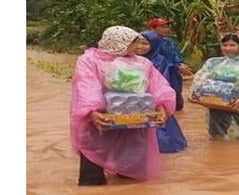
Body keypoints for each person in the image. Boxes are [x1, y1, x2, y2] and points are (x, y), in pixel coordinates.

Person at [70, 26, 176, 186]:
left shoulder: (142, 62)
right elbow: (86, 85)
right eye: (134, 43)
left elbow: (158, 85)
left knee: (131, 173)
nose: (138, 47)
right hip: (100, 118)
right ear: (119, 43)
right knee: (92, 174)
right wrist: (92, 111)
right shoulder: (90, 60)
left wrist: (162, 106)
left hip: (135, 118)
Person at [142, 18, 191, 112]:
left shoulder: (168, 42)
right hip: (161, 75)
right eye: (163, 27)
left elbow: (175, 55)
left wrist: (180, 64)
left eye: (167, 27)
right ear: (152, 28)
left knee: (177, 105)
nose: (166, 29)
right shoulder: (147, 44)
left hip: (173, 75)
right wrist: (175, 66)